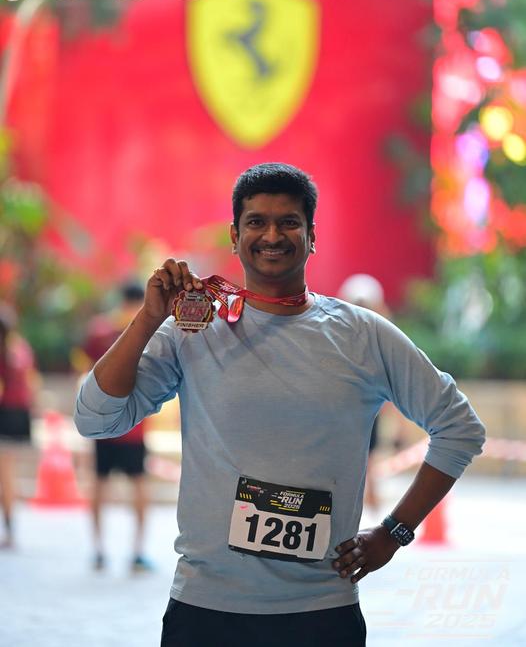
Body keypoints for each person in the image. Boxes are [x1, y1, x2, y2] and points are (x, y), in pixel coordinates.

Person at [75, 163, 485, 647]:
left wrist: (394, 532)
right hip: (206, 609)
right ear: (235, 236)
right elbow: (95, 417)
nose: (272, 235)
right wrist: (148, 319)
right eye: (257, 222)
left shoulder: (363, 335)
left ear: (312, 236)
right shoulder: (193, 330)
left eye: (289, 222)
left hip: (321, 612)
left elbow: (459, 428)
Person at [76, 282, 154, 572]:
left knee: (99, 485)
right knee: (139, 486)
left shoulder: (100, 331)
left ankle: (99, 550)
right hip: (135, 426)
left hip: (104, 423)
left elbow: (86, 374)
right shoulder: (149, 331)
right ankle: (137, 552)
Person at [337, 274, 409, 511]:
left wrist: (400, 428)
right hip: (348, 410)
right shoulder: (338, 336)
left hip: (362, 410)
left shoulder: (382, 340)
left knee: (365, 457)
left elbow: (390, 387)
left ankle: (368, 496)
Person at [0, 302, 39, 549]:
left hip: (5, 414)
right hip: (19, 415)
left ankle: (9, 528)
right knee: (7, 474)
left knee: (5, 474)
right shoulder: (21, 348)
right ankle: (10, 528)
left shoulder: (5, 353)